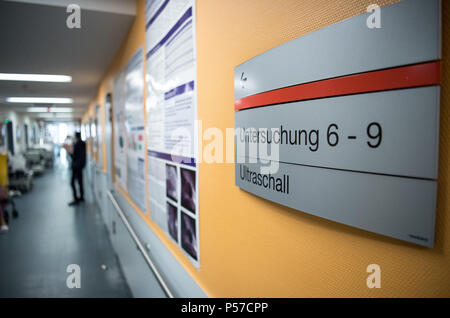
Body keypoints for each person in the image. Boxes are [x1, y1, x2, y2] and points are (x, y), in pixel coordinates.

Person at [67, 132, 86, 206]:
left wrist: (69, 152)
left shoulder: (77, 144)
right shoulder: (83, 144)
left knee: (72, 183)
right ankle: (81, 197)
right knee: (80, 182)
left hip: (76, 166)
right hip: (81, 166)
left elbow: (74, 156)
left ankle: (76, 199)